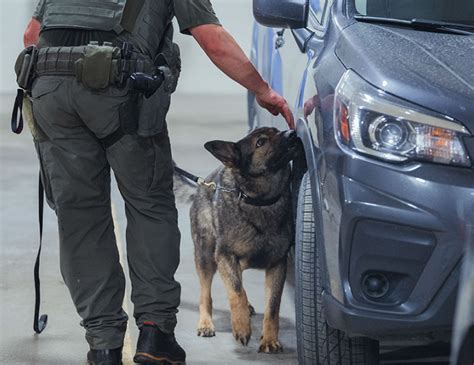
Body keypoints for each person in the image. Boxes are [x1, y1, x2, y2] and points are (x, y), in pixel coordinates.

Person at [22, 1, 294, 364]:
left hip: (50, 90)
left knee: (80, 219)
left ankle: (103, 345)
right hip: (120, 91)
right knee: (149, 206)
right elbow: (210, 38)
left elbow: (32, 35)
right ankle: (155, 332)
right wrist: (262, 90)